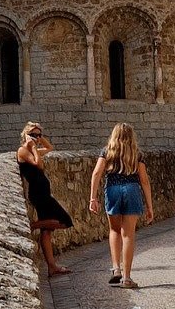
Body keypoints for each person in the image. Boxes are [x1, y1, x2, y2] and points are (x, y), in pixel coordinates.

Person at [89, 123, 155, 289]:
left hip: (112, 189)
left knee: (114, 230)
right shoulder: (137, 154)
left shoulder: (106, 152)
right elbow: (144, 180)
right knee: (128, 235)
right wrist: (149, 206)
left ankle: (116, 268)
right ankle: (127, 278)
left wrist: (93, 198)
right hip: (132, 189)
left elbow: (96, 173)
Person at [17, 122, 75, 276]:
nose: (37, 138)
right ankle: (33, 225)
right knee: (65, 221)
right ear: (26, 135)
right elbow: (39, 165)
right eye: (33, 135)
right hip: (38, 194)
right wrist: (33, 146)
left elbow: (50, 149)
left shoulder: (33, 148)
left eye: (39, 134)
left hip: (43, 192)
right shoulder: (23, 151)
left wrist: (40, 140)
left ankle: (51, 266)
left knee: (47, 232)